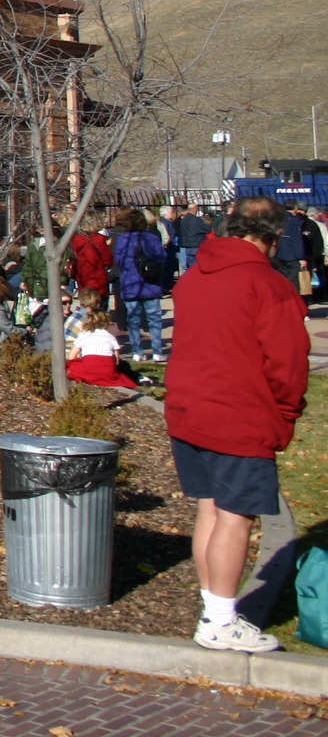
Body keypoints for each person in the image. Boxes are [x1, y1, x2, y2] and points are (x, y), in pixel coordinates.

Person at [168, 196, 311, 654]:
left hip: (189, 408)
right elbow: (288, 365)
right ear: (274, 236)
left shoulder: (194, 277)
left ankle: (214, 611)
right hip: (237, 413)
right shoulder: (267, 285)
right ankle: (221, 620)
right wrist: (285, 414)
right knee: (235, 516)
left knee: (211, 510)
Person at [114, 208, 169, 362]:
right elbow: (161, 257)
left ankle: (137, 351)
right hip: (150, 282)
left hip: (130, 283)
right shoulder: (151, 238)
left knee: (133, 320)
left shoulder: (123, 240)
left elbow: (119, 260)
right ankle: (157, 350)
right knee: (154, 319)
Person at [66, 309, 143, 389]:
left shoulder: (84, 335)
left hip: (89, 368)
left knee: (72, 365)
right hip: (107, 371)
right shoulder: (111, 337)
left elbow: (72, 357)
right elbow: (116, 362)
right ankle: (140, 379)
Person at [176, 204, 212, 277]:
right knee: (197, 267)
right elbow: (208, 229)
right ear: (195, 209)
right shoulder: (196, 220)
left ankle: (191, 279)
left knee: (190, 266)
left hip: (187, 246)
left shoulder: (184, 220)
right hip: (196, 245)